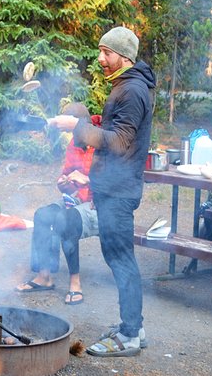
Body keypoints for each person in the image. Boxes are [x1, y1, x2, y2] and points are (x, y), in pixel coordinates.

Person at [50, 26, 156, 357]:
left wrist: (77, 127)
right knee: (118, 257)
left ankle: (128, 336)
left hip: (119, 190)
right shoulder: (125, 87)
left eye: (106, 53)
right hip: (112, 187)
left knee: (121, 259)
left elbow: (119, 141)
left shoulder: (132, 92)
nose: (100, 59)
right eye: (100, 52)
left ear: (124, 57)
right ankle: (134, 327)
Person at [15, 103, 100, 305]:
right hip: (77, 199)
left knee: (66, 219)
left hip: (99, 205)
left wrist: (89, 181)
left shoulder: (102, 142)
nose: (72, 138)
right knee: (42, 214)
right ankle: (44, 276)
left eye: (71, 131)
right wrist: (64, 183)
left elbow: (115, 180)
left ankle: (75, 283)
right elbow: (67, 177)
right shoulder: (74, 144)